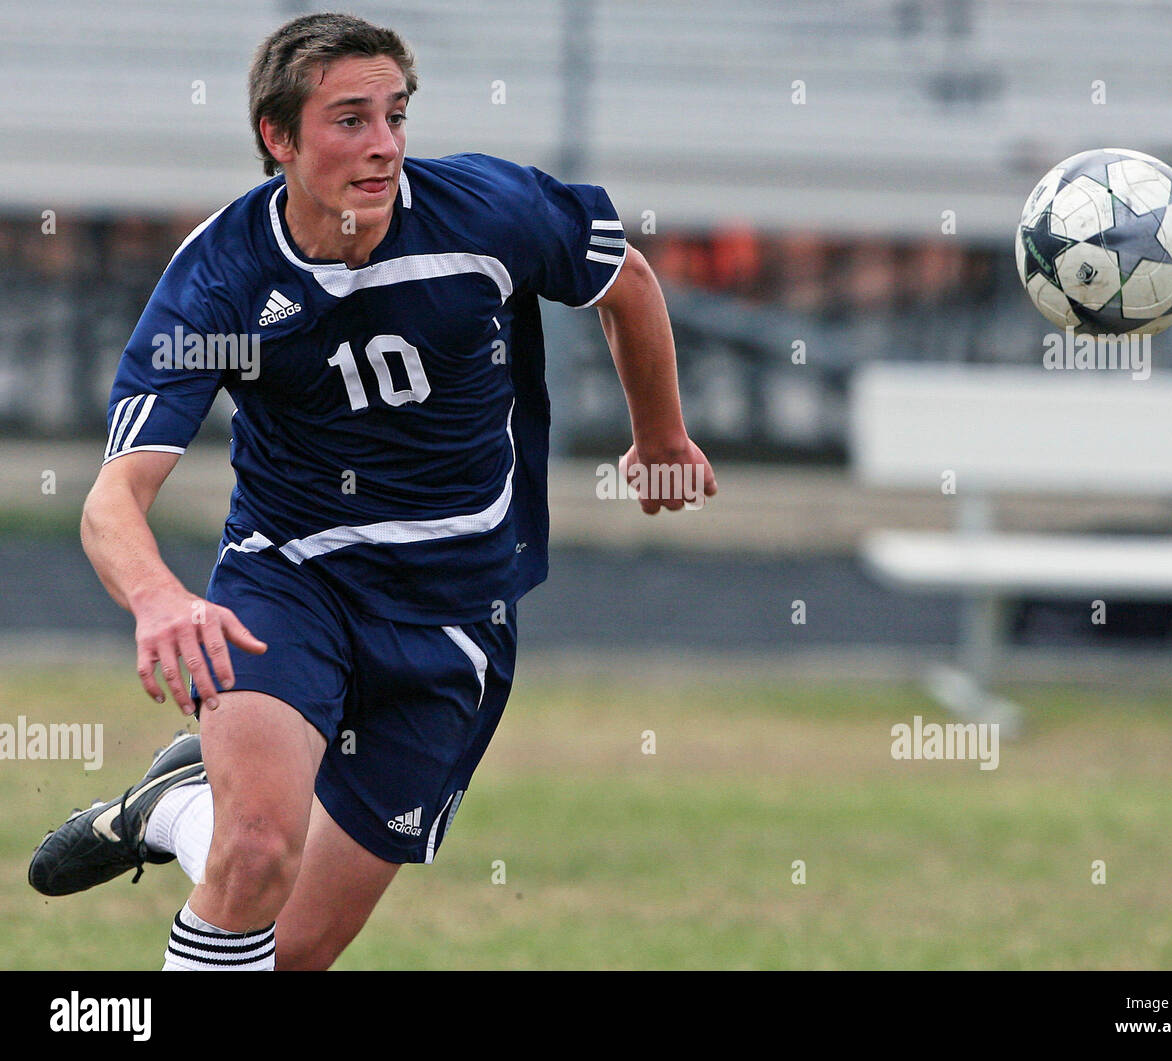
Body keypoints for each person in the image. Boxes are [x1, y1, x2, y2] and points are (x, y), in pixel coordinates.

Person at [29, 11, 716, 971]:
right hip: (291, 582)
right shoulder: (221, 282)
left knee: (292, 954)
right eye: (350, 119)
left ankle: (177, 808)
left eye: (395, 114)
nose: (385, 144)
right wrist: (157, 597)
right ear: (279, 137)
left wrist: (661, 434)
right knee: (257, 853)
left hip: (453, 611)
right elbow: (112, 498)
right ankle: (211, 818)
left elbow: (627, 280)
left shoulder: (488, 214)